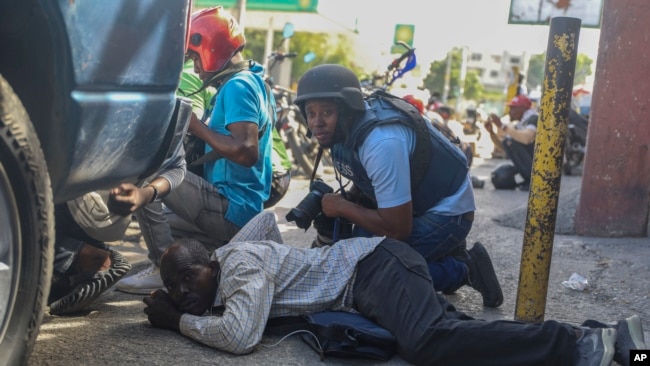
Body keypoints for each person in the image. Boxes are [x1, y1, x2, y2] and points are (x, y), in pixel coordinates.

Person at [142, 212, 646, 366]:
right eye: (175, 287)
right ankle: (614, 339)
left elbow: (240, 335)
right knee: (452, 335)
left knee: (427, 343)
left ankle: (584, 347)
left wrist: (177, 321)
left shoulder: (238, 268)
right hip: (369, 273)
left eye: (188, 278)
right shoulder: (232, 255)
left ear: (213, 263)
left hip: (373, 267)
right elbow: (266, 223)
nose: (184, 291)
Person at [292, 64, 503, 307]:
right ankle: (442, 255)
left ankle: (464, 268)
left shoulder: (381, 142)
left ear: (348, 109)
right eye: (311, 113)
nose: (317, 122)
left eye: (326, 112)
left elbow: (397, 229)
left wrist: (341, 207)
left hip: (448, 211)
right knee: (352, 253)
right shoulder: (344, 130)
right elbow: (366, 175)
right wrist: (350, 199)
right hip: (416, 203)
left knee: (369, 276)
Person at [114, 6, 274, 295]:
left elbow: (247, 152)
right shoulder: (246, 81)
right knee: (161, 218)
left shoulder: (239, 86)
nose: (194, 66)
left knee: (148, 173)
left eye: (193, 57)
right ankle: (199, 254)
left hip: (232, 208)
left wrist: (196, 126)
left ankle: (164, 268)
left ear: (211, 47)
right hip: (236, 210)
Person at [49, 117, 188, 314]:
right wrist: (145, 194)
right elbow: (177, 166)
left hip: (74, 201)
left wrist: (144, 195)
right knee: (46, 289)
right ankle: (80, 266)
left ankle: (85, 257)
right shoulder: (170, 105)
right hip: (101, 214)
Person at [484, 95, 539, 191]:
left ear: (522, 109)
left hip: (540, 162)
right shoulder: (521, 124)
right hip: (533, 158)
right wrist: (491, 133)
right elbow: (504, 147)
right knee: (508, 142)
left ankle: (533, 181)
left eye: (513, 108)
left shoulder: (533, 118)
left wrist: (502, 126)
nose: (510, 112)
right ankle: (529, 179)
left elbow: (526, 138)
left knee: (510, 141)